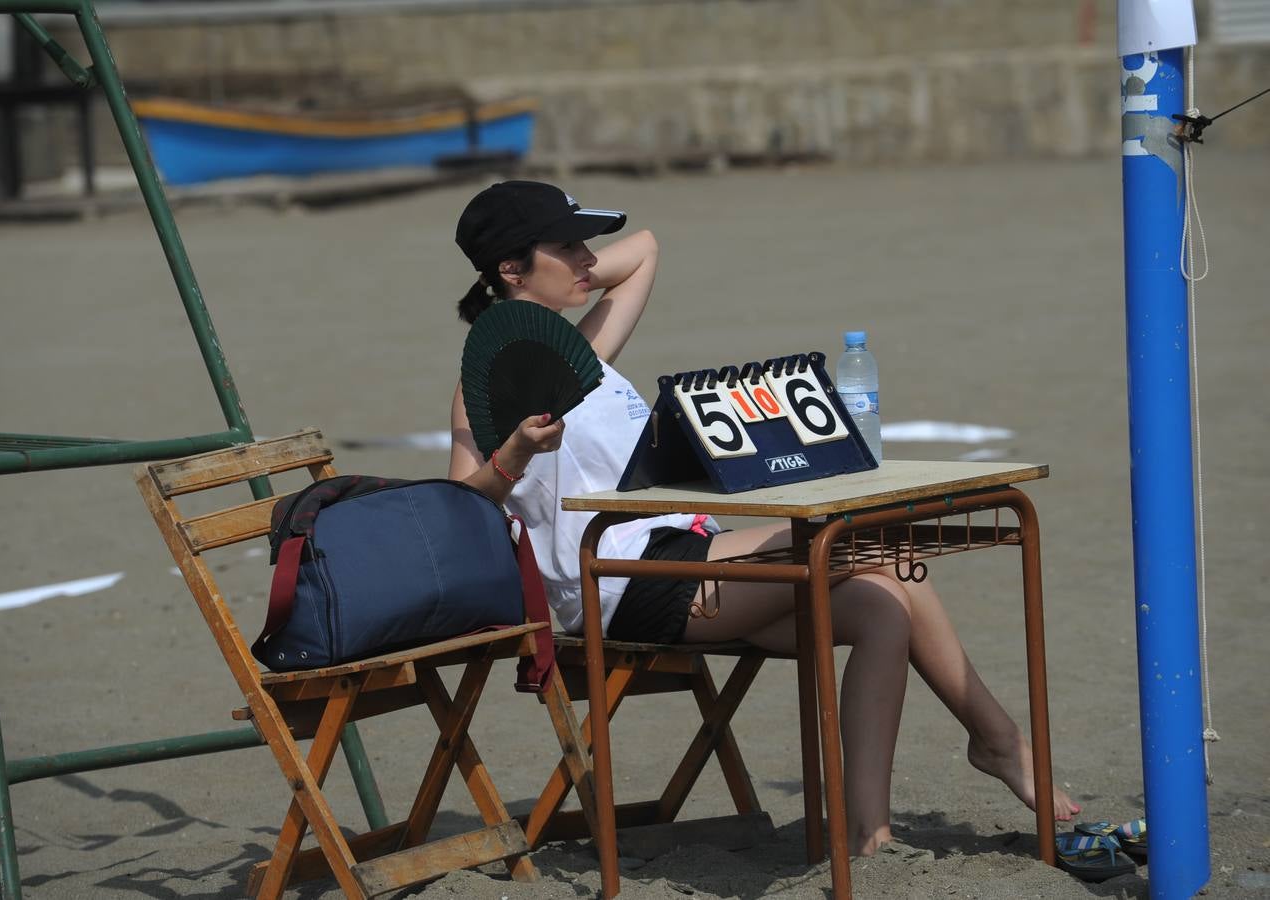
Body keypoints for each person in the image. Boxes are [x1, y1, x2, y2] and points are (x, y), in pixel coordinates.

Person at [445, 180, 1078, 856]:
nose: (585, 259)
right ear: (511, 267)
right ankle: (997, 741)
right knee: (880, 552)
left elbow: (646, 251)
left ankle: (871, 832)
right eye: (565, 246)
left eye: (584, 244)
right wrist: (511, 454)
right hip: (617, 587)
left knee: (884, 605)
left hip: (680, 557)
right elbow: (461, 509)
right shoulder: (485, 383)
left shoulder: (582, 355)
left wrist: (563, 270)